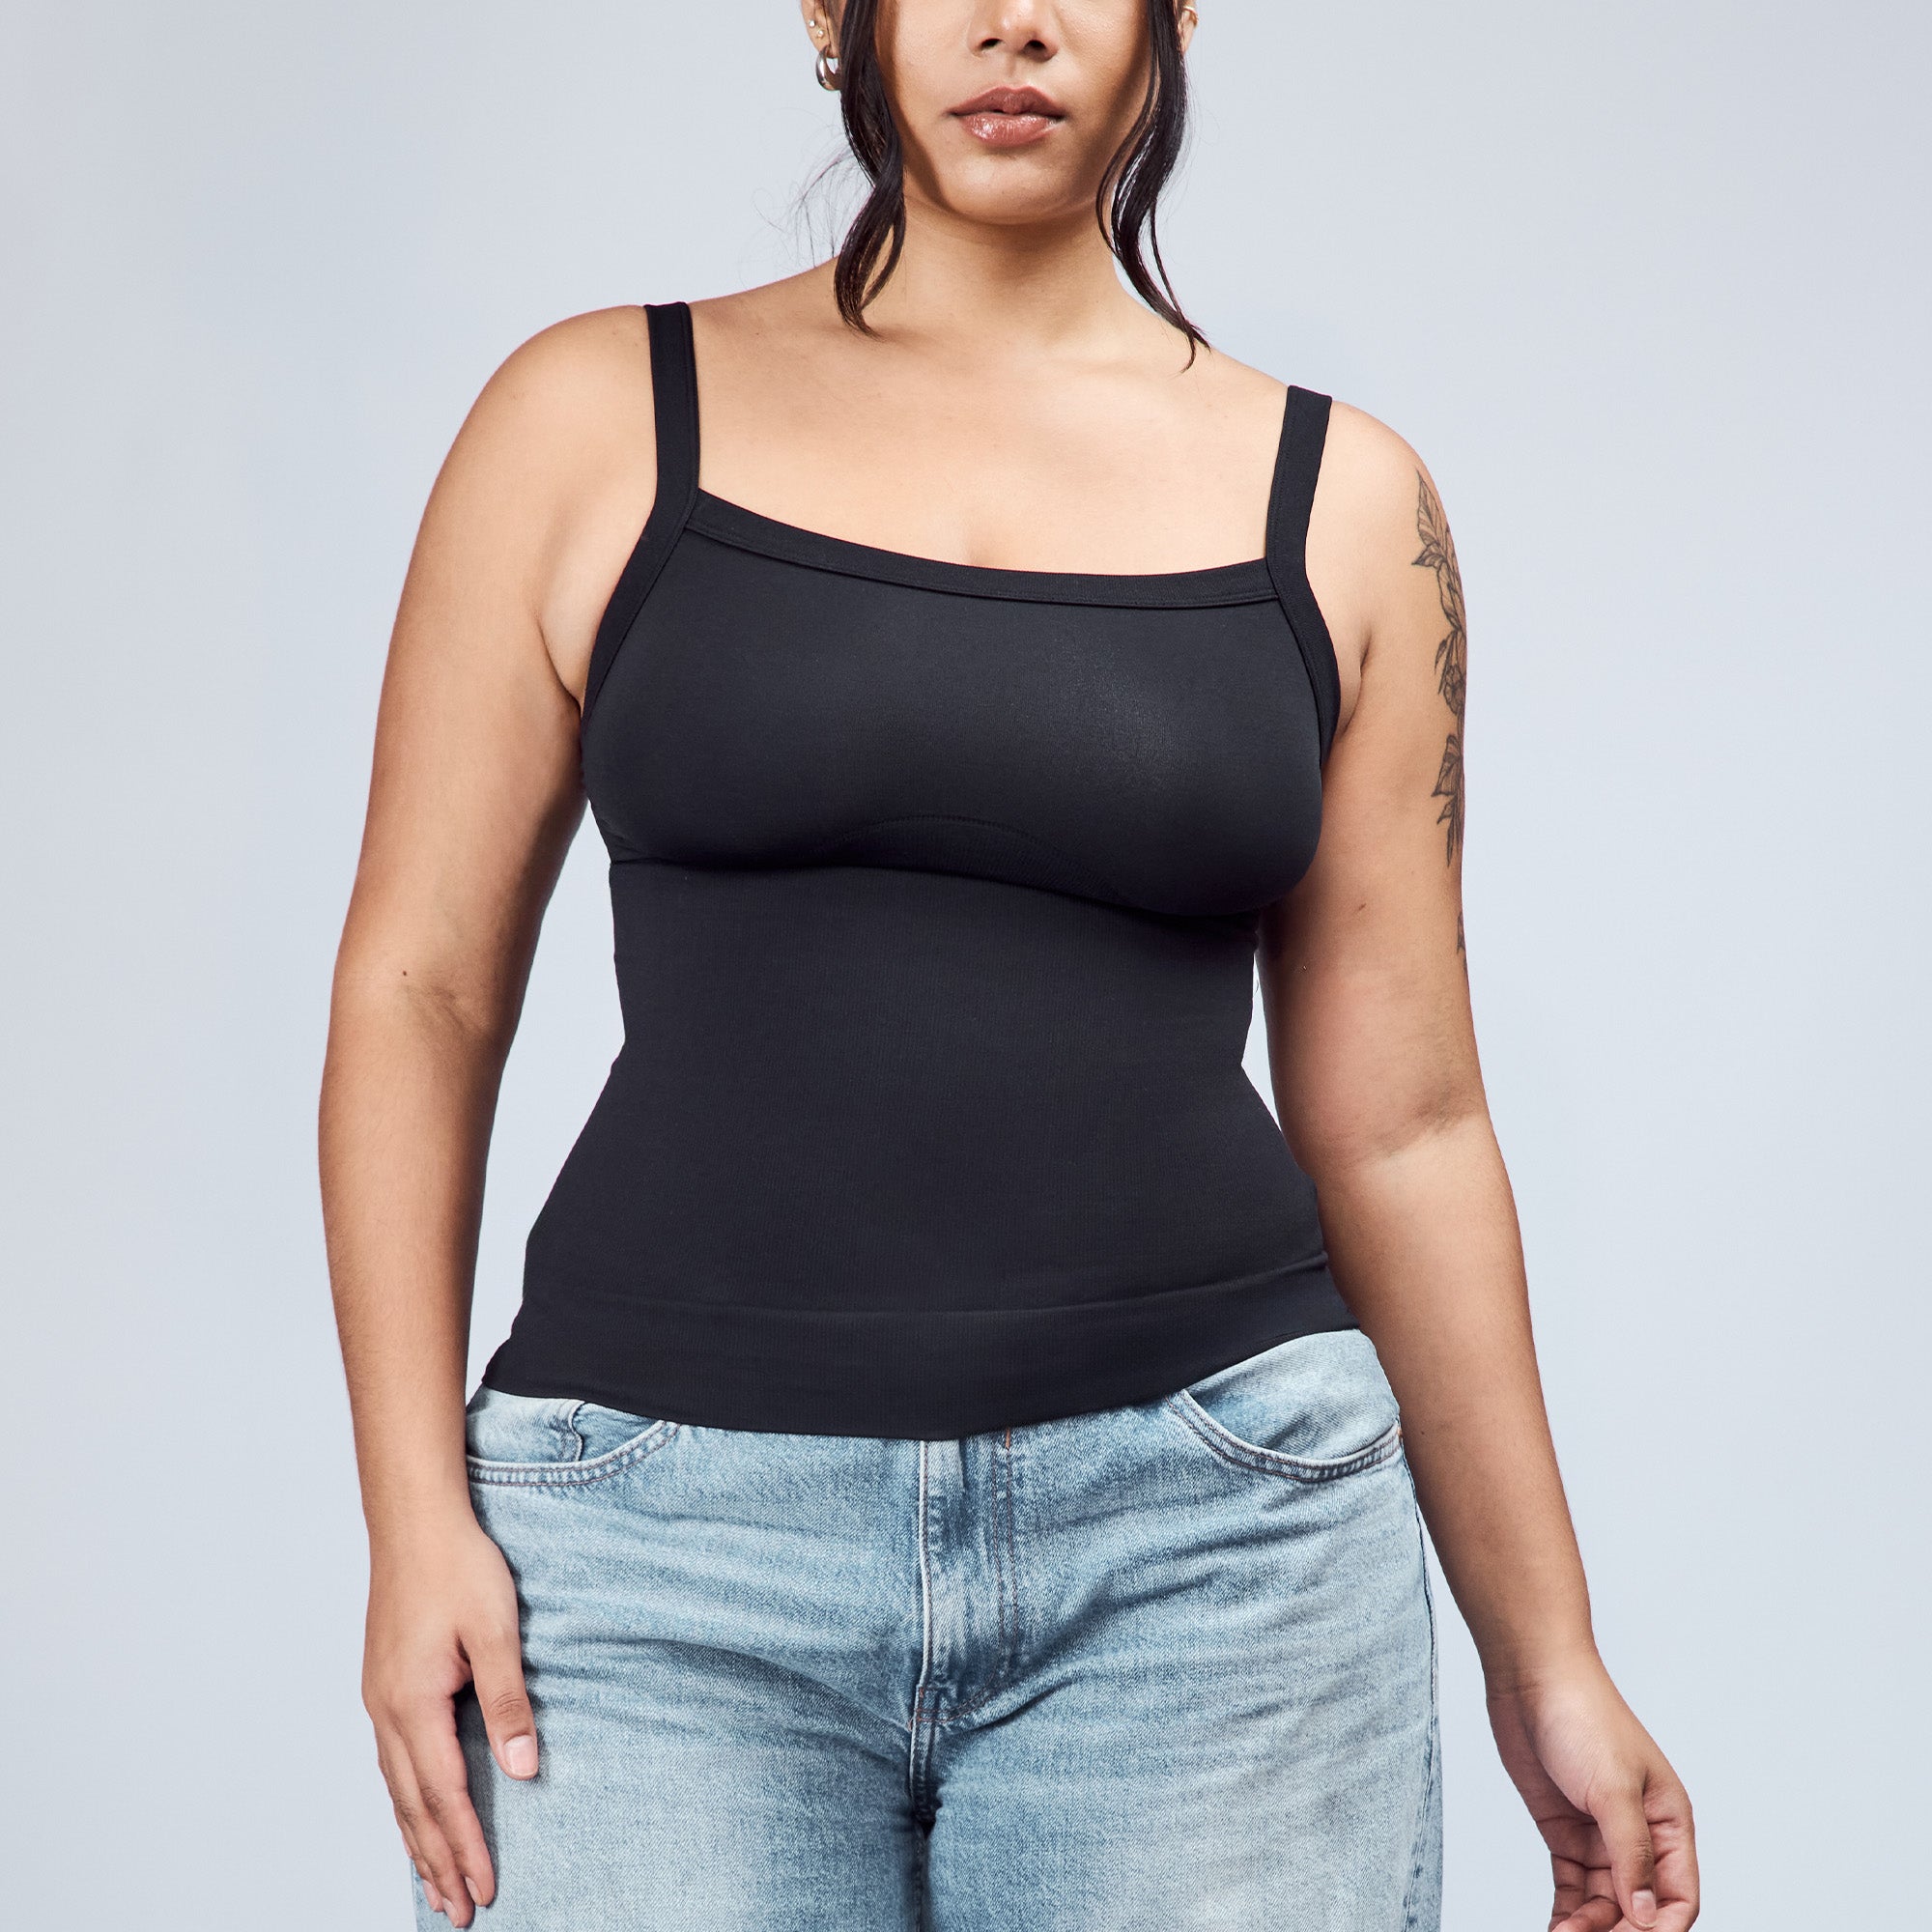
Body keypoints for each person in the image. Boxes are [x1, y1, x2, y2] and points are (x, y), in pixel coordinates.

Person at [319, 3, 1699, 1927]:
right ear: (833, 14)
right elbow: (421, 993)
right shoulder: (589, 421)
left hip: (1214, 1555)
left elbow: (1404, 1123)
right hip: (651, 1563)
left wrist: (1545, 1652)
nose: (1013, 22)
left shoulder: (1343, 506)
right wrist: (411, 1521)